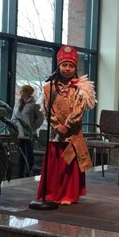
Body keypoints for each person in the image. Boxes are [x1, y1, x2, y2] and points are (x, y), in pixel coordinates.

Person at [37, 45, 97, 205]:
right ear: (59, 66)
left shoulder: (82, 88)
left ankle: (68, 195)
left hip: (72, 133)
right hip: (56, 134)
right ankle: (51, 194)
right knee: (55, 166)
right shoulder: (49, 88)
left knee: (69, 166)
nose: (67, 69)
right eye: (64, 65)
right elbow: (46, 110)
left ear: (75, 67)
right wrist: (57, 125)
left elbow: (79, 110)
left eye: (71, 66)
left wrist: (67, 125)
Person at [12, 84, 44, 178]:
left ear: (28, 92)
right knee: (21, 154)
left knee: (28, 153)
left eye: (23, 91)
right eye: (21, 91)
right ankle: (20, 174)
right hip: (19, 132)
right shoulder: (18, 103)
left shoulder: (34, 104)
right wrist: (13, 125)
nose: (21, 93)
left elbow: (40, 117)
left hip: (29, 133)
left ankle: (29, 173)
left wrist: (33, 127)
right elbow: (14, 116)